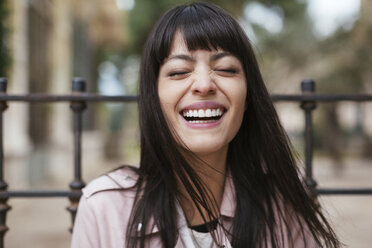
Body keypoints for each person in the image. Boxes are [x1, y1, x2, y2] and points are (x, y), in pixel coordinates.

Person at [71, 2, 340, 248]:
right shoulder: (103, 207)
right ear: (154, 98)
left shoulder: (282, 206)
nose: (203, 85)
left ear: (247, 97)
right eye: (178, 72)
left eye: (225, 69)